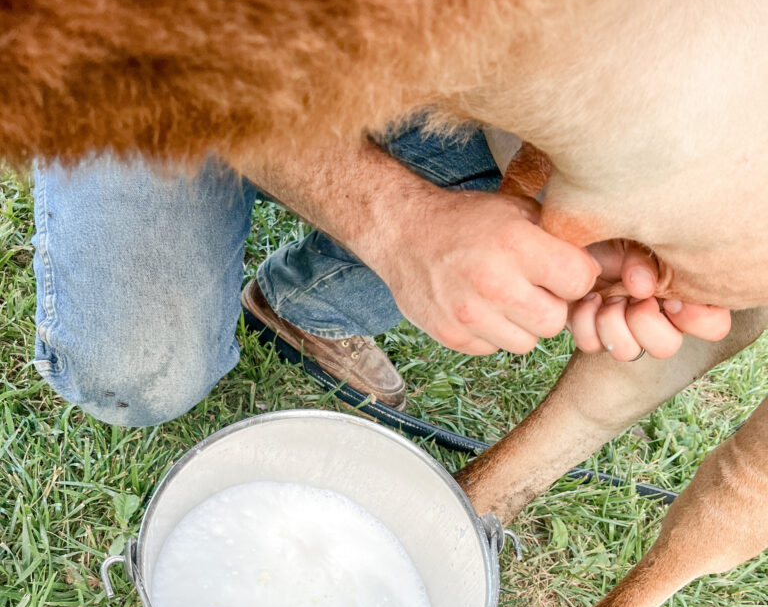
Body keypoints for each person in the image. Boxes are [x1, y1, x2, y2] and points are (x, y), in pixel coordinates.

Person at [31, 117, 728, 427]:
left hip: (415, 66)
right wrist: (400, 226)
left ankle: (304, 305)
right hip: (170, 43)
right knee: (135, 379)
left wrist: (574, 216)